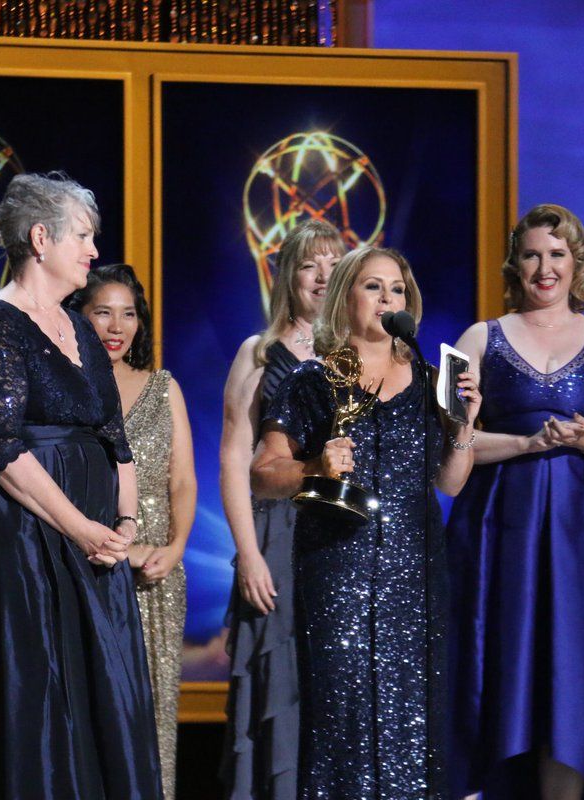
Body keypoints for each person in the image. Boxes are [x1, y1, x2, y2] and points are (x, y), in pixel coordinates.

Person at [0, 173, 162, 799]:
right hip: (27, 543)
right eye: (82, 236)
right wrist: (80, 528)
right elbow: (0, 449)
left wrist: (126, 526)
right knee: (39, 692)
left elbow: (116, 437)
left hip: (97, 546)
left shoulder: (79, 327)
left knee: (101, 689)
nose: (90, 250)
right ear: (39, 238)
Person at [445, 204, 584, 800]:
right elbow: (447, 450)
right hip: (498, 528)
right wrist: (525, 441)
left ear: (577, 264)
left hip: (579, 532)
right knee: (496, 669)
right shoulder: (476, 339)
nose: (545, 268)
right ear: (515, 264)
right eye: (532, 255)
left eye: (557, 255)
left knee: (571, 677)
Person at [250, 246, 480, 798]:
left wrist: (465, 424)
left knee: (412, 717)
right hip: (336, 566)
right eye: (373, 287)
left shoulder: (432, 378)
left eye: (396, 289)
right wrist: (313, 466)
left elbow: (450, 482)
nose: (386, 299)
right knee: (342, 714)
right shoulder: (312, 380)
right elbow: (262, 473)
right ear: (346, 295)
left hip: (414, 571)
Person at [219, 218, 344, 799]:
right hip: (274, 533)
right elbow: (233, 458)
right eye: (307, 264)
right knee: (278, 688)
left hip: (340, 533)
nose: (321, 276)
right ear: (287, 276)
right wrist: (247, 555)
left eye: (332, 264)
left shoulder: (359, 350)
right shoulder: (259, 352)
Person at [69, 263, 196, 800]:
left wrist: (175, 548)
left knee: (151, 713)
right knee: (89, 711)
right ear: (80, 316)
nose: (116, 326)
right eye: (103, 312)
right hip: (88, 565)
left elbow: (184, 481)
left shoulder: (164, 388)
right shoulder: (63, 389)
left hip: (156, 576)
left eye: (128, 314)